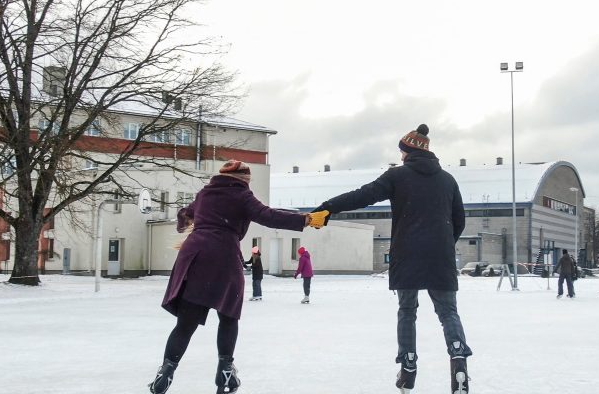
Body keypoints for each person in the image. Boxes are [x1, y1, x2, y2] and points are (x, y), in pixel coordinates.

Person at [312, 124, 471, 394]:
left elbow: (363, 195)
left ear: (407, 151)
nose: (400, 156)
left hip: (407, 254)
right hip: (440, 256)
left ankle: (407, 367)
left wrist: (328, 207)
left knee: (407, 311)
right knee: (448, 312)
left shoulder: (397, 176)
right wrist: (442, 245)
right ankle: (458, 357)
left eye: (402, 151)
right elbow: (459, 221)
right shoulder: (448, 180)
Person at [148, 160, 327, 394]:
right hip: (223, 255)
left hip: (194, 255)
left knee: (186, 323)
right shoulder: (242, 195)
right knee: (228, 316)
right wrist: (305, 219)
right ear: (244, 179)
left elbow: (184, 216)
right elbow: (268, 216)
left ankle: (166, 370)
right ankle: (225, 371)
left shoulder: (205, 194)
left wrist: (188, 223)